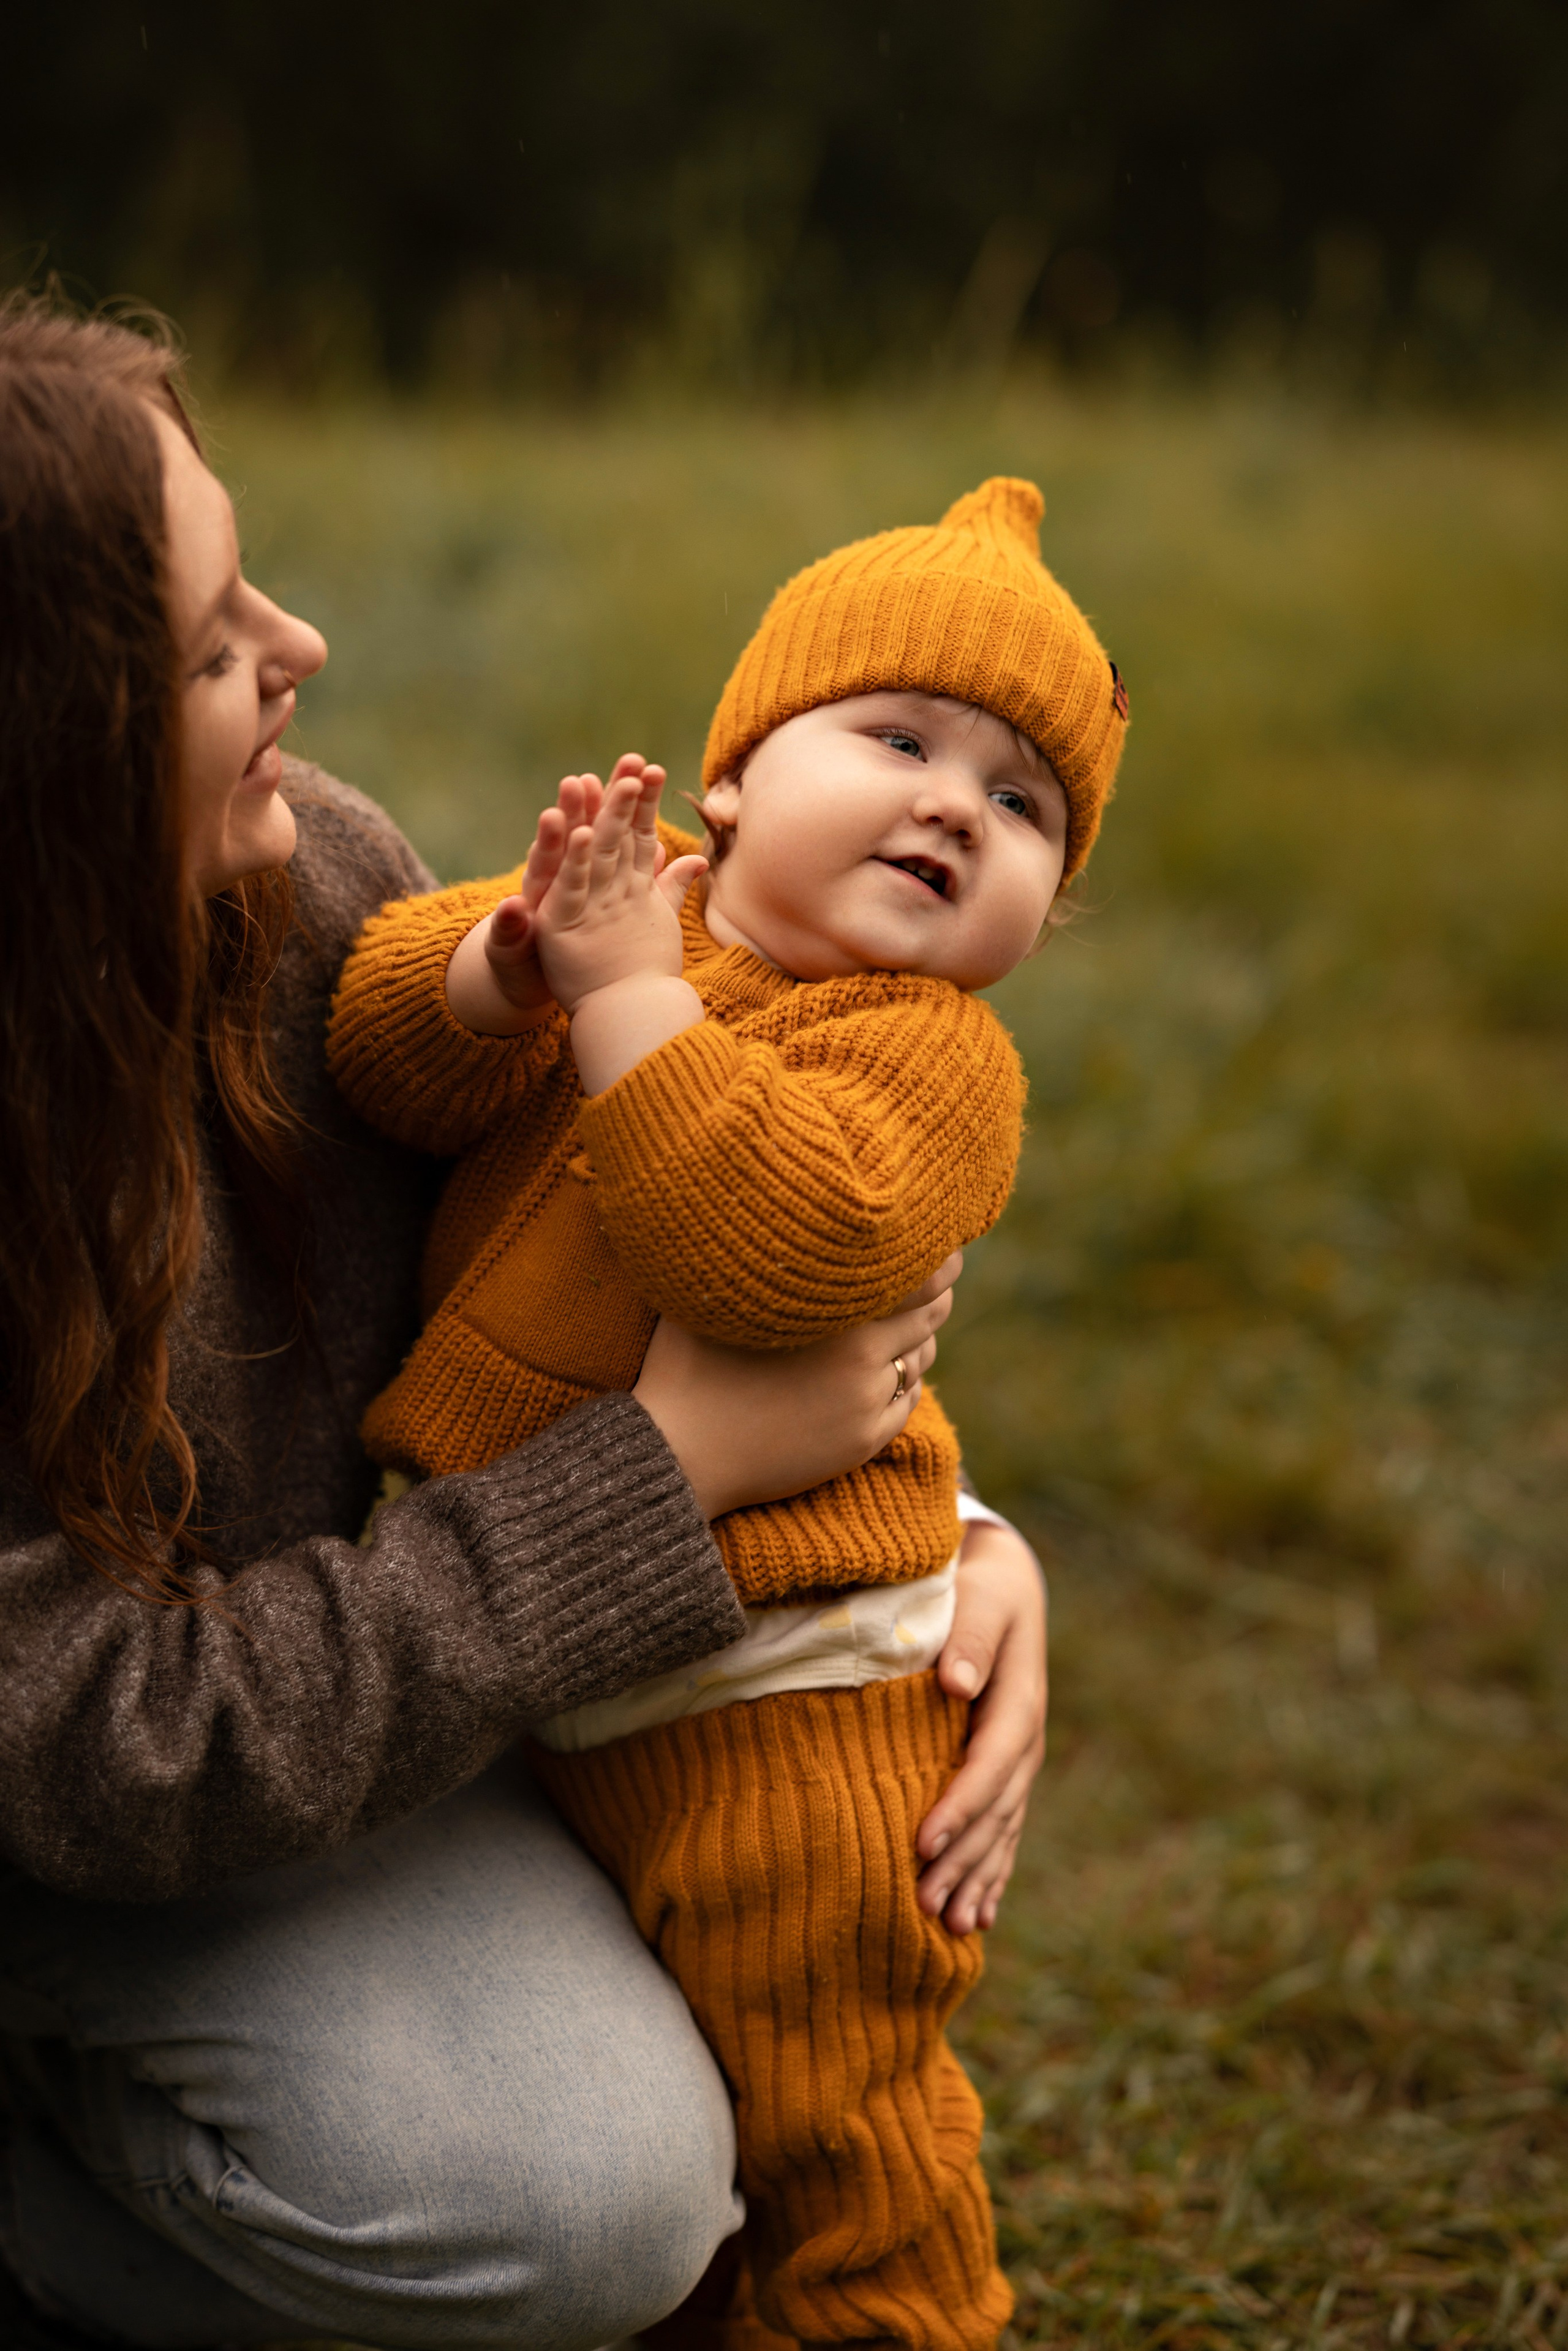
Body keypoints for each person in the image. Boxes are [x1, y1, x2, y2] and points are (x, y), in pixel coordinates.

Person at [0, 298, 1047, 2351]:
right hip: (78, 1816)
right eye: (208, 650)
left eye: (254, 580)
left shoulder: (299, 880)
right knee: (564, 2208)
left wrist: (955, 1542)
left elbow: (640, 1240)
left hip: (331, 1726)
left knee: (646, 2174)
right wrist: (666, 1482)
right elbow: (102, 1750)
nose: (301, 647)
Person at [328, 477, 1123, 2350]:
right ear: (735, 779)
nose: (959, 805)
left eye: (1025, 805)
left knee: (831, 2115)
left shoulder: (925, 1056)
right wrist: (505, 970)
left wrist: (622, 1004)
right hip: (563, 1657)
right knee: (684, 2115)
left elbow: (765, 1248)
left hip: (787, 1695)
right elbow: (374, 1057)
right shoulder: (630, 914)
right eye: (900, 740)